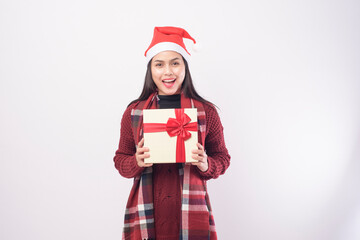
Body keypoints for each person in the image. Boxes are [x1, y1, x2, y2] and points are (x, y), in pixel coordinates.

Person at [113, 26, 230, 240]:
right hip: (147, 216)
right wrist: (136, 162)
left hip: (191, 215)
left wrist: (206, 164)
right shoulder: (133, 113)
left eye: (175, 63)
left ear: (185, 67)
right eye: (159, 64)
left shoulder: (206, 112)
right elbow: (121, 160)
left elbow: (222, 158)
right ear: (151, 70)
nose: (168, 71)